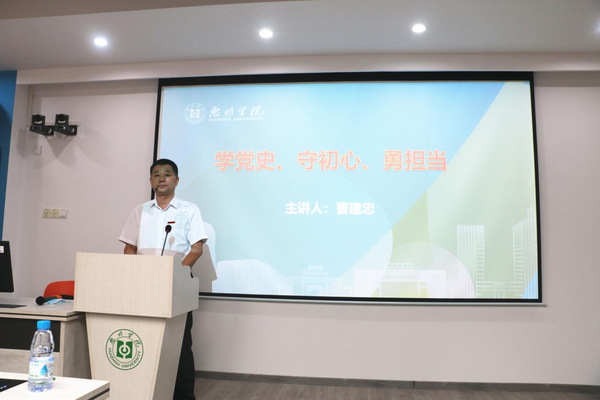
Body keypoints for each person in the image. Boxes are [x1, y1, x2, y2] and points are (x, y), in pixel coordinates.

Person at [119, 158, 207, 400]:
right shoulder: (140, 211)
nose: (161, 178)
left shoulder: (189, 210)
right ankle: (146, 391)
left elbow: (196, 248)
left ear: (176, 180)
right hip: (143, 282)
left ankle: (183, 396)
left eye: (166, 174)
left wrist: (175, 274)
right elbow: (129, 247)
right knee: (144, 337)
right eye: (156, 174)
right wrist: (136, 272)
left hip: (177, 283)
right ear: (151, 181)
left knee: (179, 343)